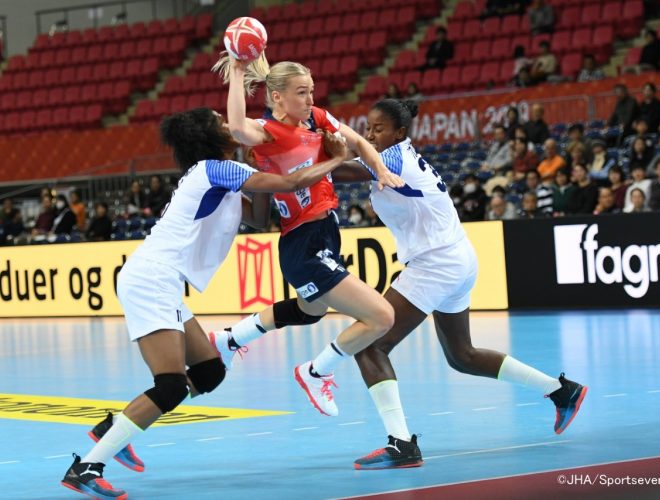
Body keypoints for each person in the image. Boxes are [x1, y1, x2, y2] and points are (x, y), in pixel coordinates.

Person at [222, 99, 587, 470]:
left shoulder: (392, 158)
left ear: (399, 133)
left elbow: (331, 171)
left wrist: (288, 144)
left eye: (378, 129)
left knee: (371, 346)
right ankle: (562, 391)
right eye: (367, 127)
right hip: (457, 258)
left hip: (437, 264)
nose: (369, 135)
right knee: (463, 355)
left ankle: (396, 439)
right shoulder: (396, 154)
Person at [60, 107, 349, 498]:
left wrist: (255, 161)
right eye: (220, 120)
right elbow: (292, 180)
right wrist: (338, 158)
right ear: (210, 137)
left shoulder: (226, 173)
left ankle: (115, 427)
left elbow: (260, 220)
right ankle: (87, 467)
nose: (230, 123)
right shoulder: (213, 169)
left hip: (164, 282)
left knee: (210, 370)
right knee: (170, 386)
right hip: (152, 279)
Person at [211, 54, 403, 417]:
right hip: (304, 241)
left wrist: (379, 169)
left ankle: (230, 339)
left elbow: (360, 142)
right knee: (382, 317)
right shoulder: (267, 133)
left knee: (309, 310)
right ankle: (316, 371)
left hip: (325, 233)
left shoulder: (316, 118)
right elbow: (236, 127)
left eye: (312, 91)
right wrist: (236, 71)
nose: (310, 99)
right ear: (278, 97)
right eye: (302, 93)